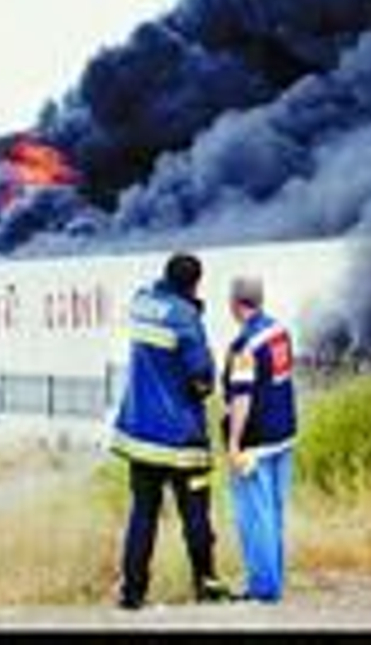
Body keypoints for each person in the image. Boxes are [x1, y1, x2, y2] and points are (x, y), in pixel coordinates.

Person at [108, 252, 231, 609]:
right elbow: (202, 380)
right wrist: (195, 312)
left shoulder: (141, 302)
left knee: (142, 514)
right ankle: (206, 584)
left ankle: (132, 593)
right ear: (195, 283)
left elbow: (156, 306)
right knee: (195, 515)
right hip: (181, 441)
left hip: (139, 434)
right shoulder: (186, 317)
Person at [221, 274, 298, 603]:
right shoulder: (280, 332)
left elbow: (242, 398)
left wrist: (234, 442)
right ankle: (275, 580)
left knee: (255, 514)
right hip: (284, 433)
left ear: (236, 304)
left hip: (256, 441)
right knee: (275, 511)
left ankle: (263, 589)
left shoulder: (244, 346)